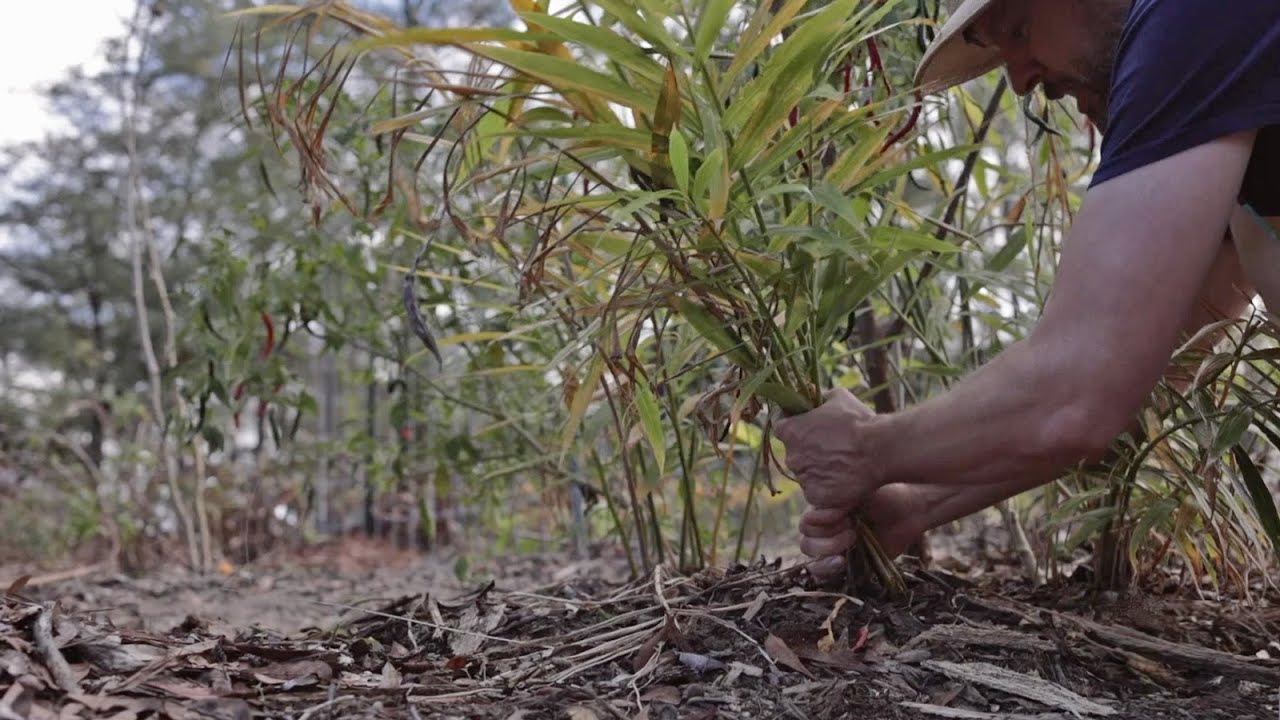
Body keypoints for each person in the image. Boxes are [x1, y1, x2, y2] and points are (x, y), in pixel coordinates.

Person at [774, 0, 1280, 580]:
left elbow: (1078, 389)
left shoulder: (1197, 14)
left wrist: (868, 449)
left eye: (1018, 30)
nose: (1020, 82)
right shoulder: (1237, 115)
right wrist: (915, 504)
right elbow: (1154, 370)